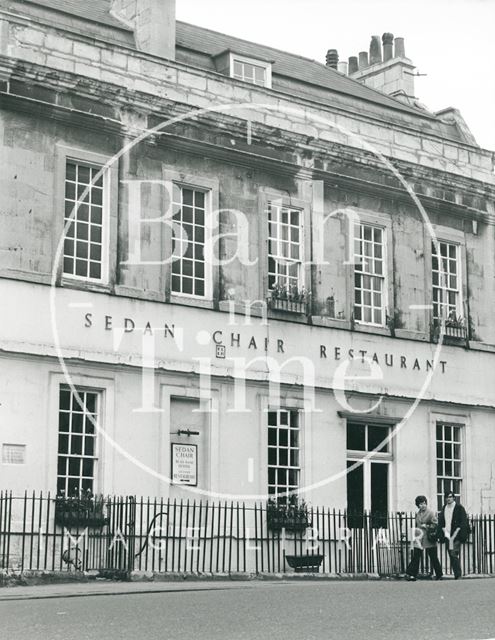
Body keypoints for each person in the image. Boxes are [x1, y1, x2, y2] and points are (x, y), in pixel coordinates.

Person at [405, 495, 443, 581]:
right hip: (419, 538)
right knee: (416, 556)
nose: (423, 505)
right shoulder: (418, 513)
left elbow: (436, 524)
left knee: (433, 557)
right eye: (421, 504)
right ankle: (412, 574)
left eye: (424, 503)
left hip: (428, 538)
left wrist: (426, 526)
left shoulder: (430, 513)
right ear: (418, 505)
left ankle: (439, 574)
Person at [438, 490, 469, 579]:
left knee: (453, 553)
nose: (448, 499)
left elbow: (463, 522)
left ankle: (458, 575)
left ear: (454, 498)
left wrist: (462, 535)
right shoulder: (444, 508)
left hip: (456, 535)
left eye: (450, 497)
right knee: (451, 554)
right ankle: (457, 574)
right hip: (447, 535)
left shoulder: (459, 508)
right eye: (447, 497)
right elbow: (441, 522)